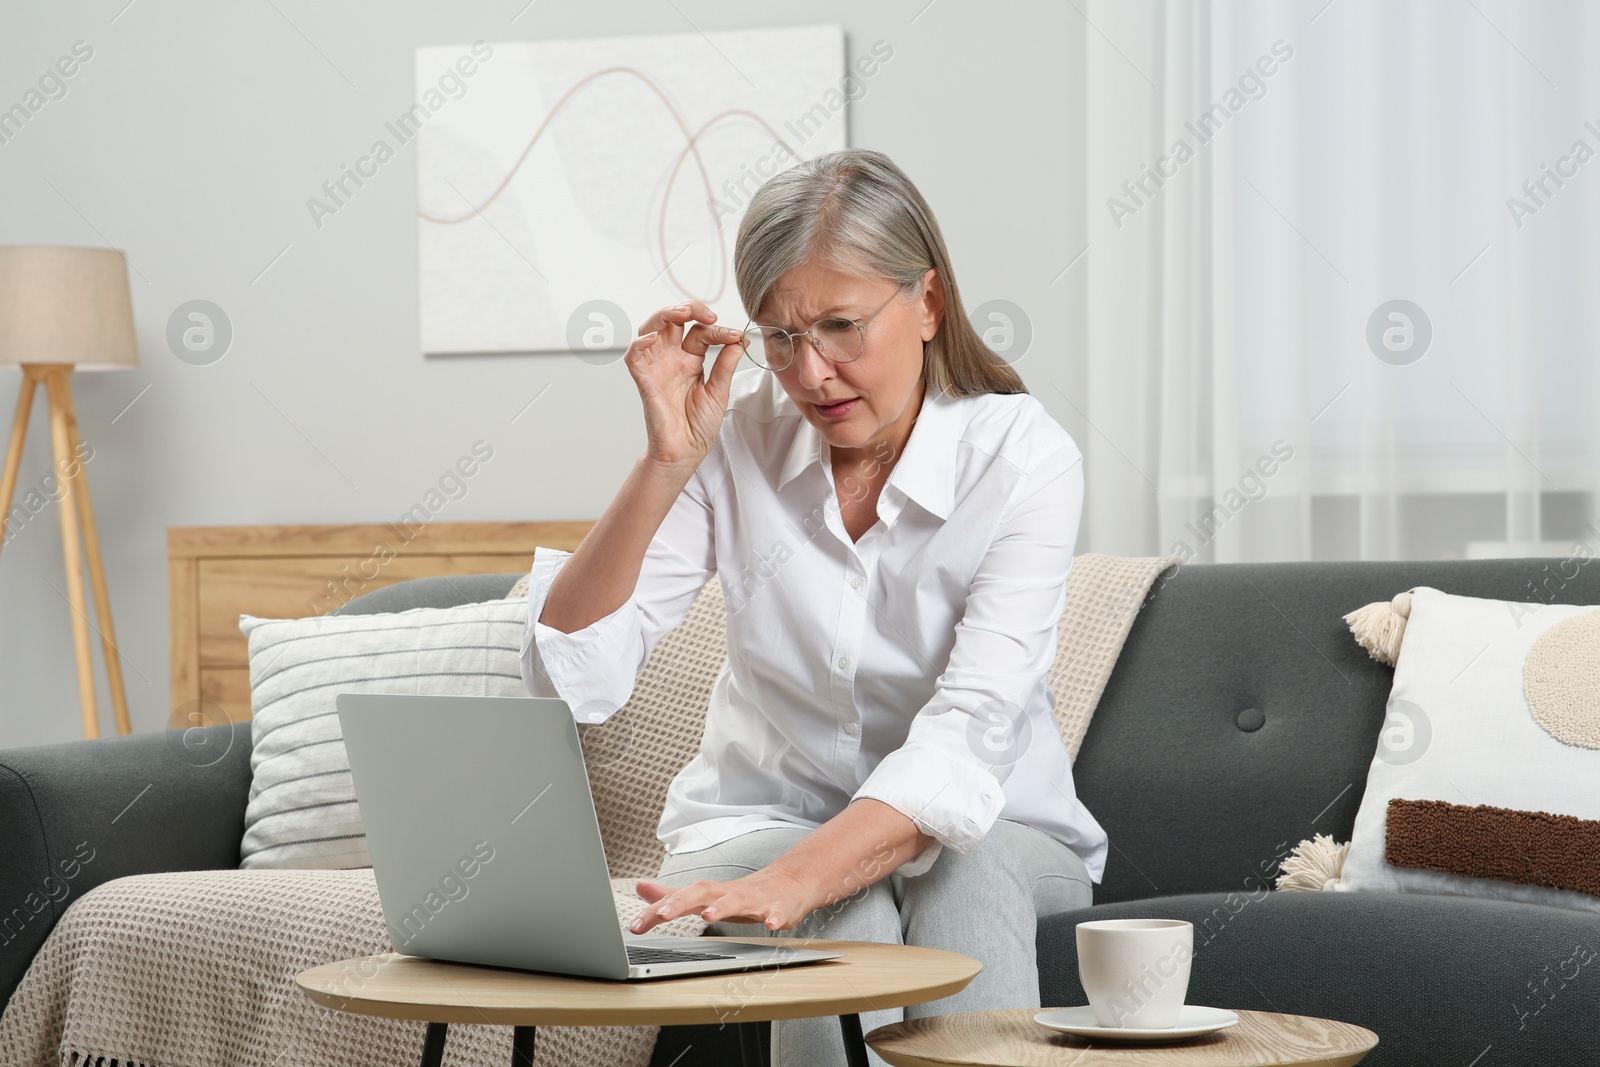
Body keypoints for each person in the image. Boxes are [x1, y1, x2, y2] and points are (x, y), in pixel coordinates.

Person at [520, 147, 1106, 1067]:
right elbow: (574, 675)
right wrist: (665, 462)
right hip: (756, 820)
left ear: (929, 303)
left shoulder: (1023, 457)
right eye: (780, 337)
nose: (811, 372)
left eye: (840, 326)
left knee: (962, 868)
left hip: (1002, 834)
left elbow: (970, 730)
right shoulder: (737, 436)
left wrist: (794, 880)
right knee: (850, 905)